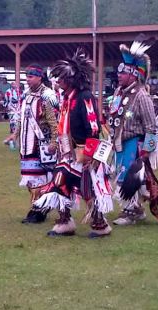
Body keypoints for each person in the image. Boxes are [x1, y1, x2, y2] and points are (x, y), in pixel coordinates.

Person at [109, 35, 158, 225]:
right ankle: (133, 209)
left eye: (123, 73)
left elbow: (151, 127)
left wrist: (145, 152)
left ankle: (132, 212)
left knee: (128, 177)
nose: (118, 75)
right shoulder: (120, 93)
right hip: (119, 143)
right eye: (118, 72)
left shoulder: (141, 96)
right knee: (120, 175)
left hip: (134, 145)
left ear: (134, 75)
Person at [35, 49, 113, 238]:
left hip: (85, 152)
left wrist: (90, 154)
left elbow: (93, 127)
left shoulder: (84, 97)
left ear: (71, 79)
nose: (58, 81)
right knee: (60, 181)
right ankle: (65, 222)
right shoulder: (67, 99)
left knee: (89, 189)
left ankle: (100, 225)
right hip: (68, 153)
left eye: (61, 78)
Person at [12, 64, 59, 224]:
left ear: (40, 77)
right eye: (27, 77)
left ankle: (38, 211)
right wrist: (15, 134)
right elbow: (21, 118)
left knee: (39, 181)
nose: (27, 80)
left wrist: (54, 141)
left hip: (40, 147)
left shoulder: (47, 96)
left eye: (31, 77)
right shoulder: (26, 95)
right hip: (26, 145)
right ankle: (36, 208)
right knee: (29, 180)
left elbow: (54, 123)